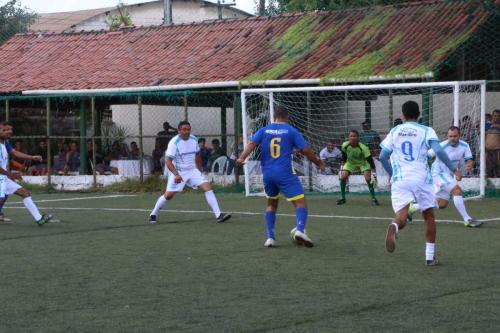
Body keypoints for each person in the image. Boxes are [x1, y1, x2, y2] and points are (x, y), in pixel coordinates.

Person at [379, 101, 460, 266]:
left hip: (400, 180)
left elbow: (382, 156)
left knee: (401, 216)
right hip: (421, 178)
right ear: (419, 116)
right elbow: (438, 150)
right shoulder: (426, 130)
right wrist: (453, 169)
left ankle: (395, 225)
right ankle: (430, 257)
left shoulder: (395, 131)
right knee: (429, 215)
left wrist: (393, 174)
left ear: (402, 116)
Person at [236, 105, 325, 248]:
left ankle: (270, 238)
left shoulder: (264, 130)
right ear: (287, 116)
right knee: (301, 203)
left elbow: (252, 143)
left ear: (274, 117)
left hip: (267, 174)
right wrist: (319, 162)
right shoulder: (291, 130)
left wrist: (241, 158)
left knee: (271, 204)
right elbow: (305, 150)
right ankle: (300, 230)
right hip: (284, 173)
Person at [148, 121, 231, 224]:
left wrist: (199, 170)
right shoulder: (174, 143)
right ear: (179, 131)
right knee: (169, 195)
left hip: (192, 170)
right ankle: (153, 213)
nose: (187, 131)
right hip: (179, 172)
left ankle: (219, 215)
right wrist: (176, 174)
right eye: (184, 129)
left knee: (208, 187)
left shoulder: (193, 139)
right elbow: (168, 161)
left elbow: (197, 155)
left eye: (188, 129)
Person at [409, 126, 482, 228]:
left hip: (449, 175)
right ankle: (467, 219)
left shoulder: (465, 145)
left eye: (455, 136)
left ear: (459, 136)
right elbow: (426, 155)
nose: (452, 138)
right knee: (457, 190)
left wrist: (469, 164)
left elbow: (469, 158)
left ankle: (413, 207)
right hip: (438, 174)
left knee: (442, 204)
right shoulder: (441, 146)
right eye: (450, 136)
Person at [0, 122, 53, 225]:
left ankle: (39, 219)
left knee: (25, 193)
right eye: (5, 130)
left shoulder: (5, 143)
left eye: (9, 129)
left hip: (3, 176)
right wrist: (11, 175)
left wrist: (32, 157)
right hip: (3, 176)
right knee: (1, 199)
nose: (9, 131)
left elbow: (15, 153)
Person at [337, 130, 379, 206]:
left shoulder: (363, 148)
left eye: (354, 136)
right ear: (348, 137)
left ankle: (374, 199)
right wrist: (341, 168)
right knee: (343, 177)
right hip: (350, 163)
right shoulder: (344, 145)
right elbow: (344, 157)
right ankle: (342, 198)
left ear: (358, 138)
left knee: (368, 178)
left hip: (363, 163)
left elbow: (370, 160)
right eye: (351, 136)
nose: (352, 138)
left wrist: (374, 172)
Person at [486, 110, 500, 177]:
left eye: (498, 116)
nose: (496, 117)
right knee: (489, 168)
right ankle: (489, 184)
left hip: (497, 150)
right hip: (488, 150)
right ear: (492, 116)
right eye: (495, 116)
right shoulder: (487, 125)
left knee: (498, 167)